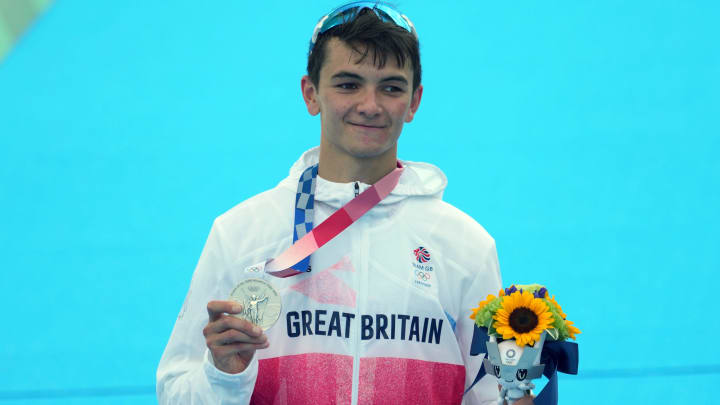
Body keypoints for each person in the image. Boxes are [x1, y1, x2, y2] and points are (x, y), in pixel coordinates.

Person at [157, 2, 532, 404]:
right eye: (348, 84)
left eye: (391, 87)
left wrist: (520, 385)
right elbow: (175, 394)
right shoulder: (240, 233)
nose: (370, 105)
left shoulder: (465, 246)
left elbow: (495, 396)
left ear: (414, 101)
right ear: (310, 94)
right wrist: (224, 377)